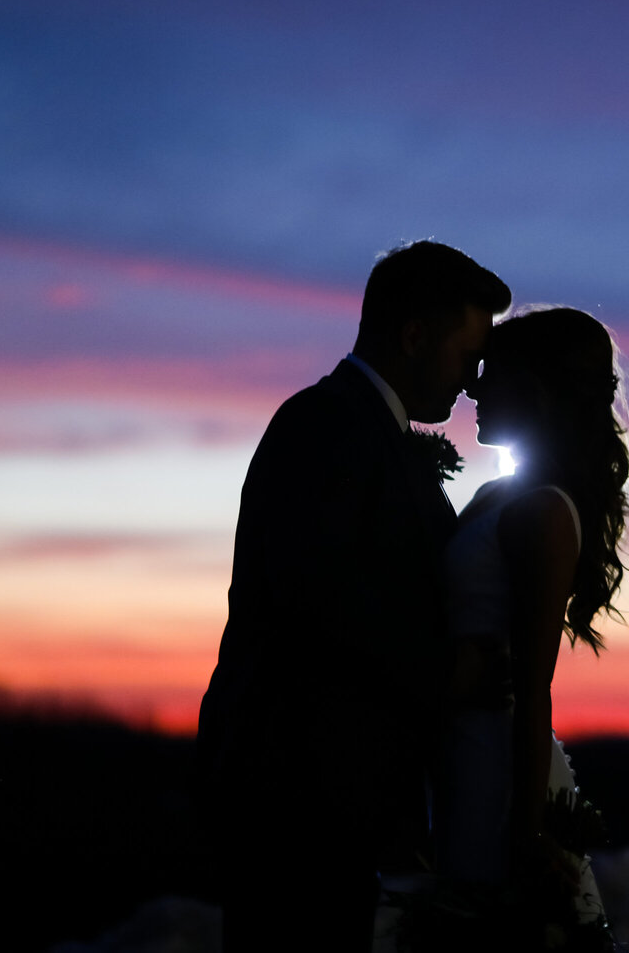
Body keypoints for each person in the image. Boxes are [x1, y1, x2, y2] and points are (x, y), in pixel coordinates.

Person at [195, 241, 510, 951]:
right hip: (295, 795)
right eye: (467, 356)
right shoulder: (325, 424)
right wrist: (450, 671)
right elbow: (318, 598)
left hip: (339, 796)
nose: (470, 384)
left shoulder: (370, 433)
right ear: (414, 336)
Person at [427, 305, 629, 950]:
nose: (473, 389)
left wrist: (526, 830)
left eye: (491, 374)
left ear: (535, 392)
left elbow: (533, 686)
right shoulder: (502, 495)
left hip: (496, 767)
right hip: (456, 746)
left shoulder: (544, 511)